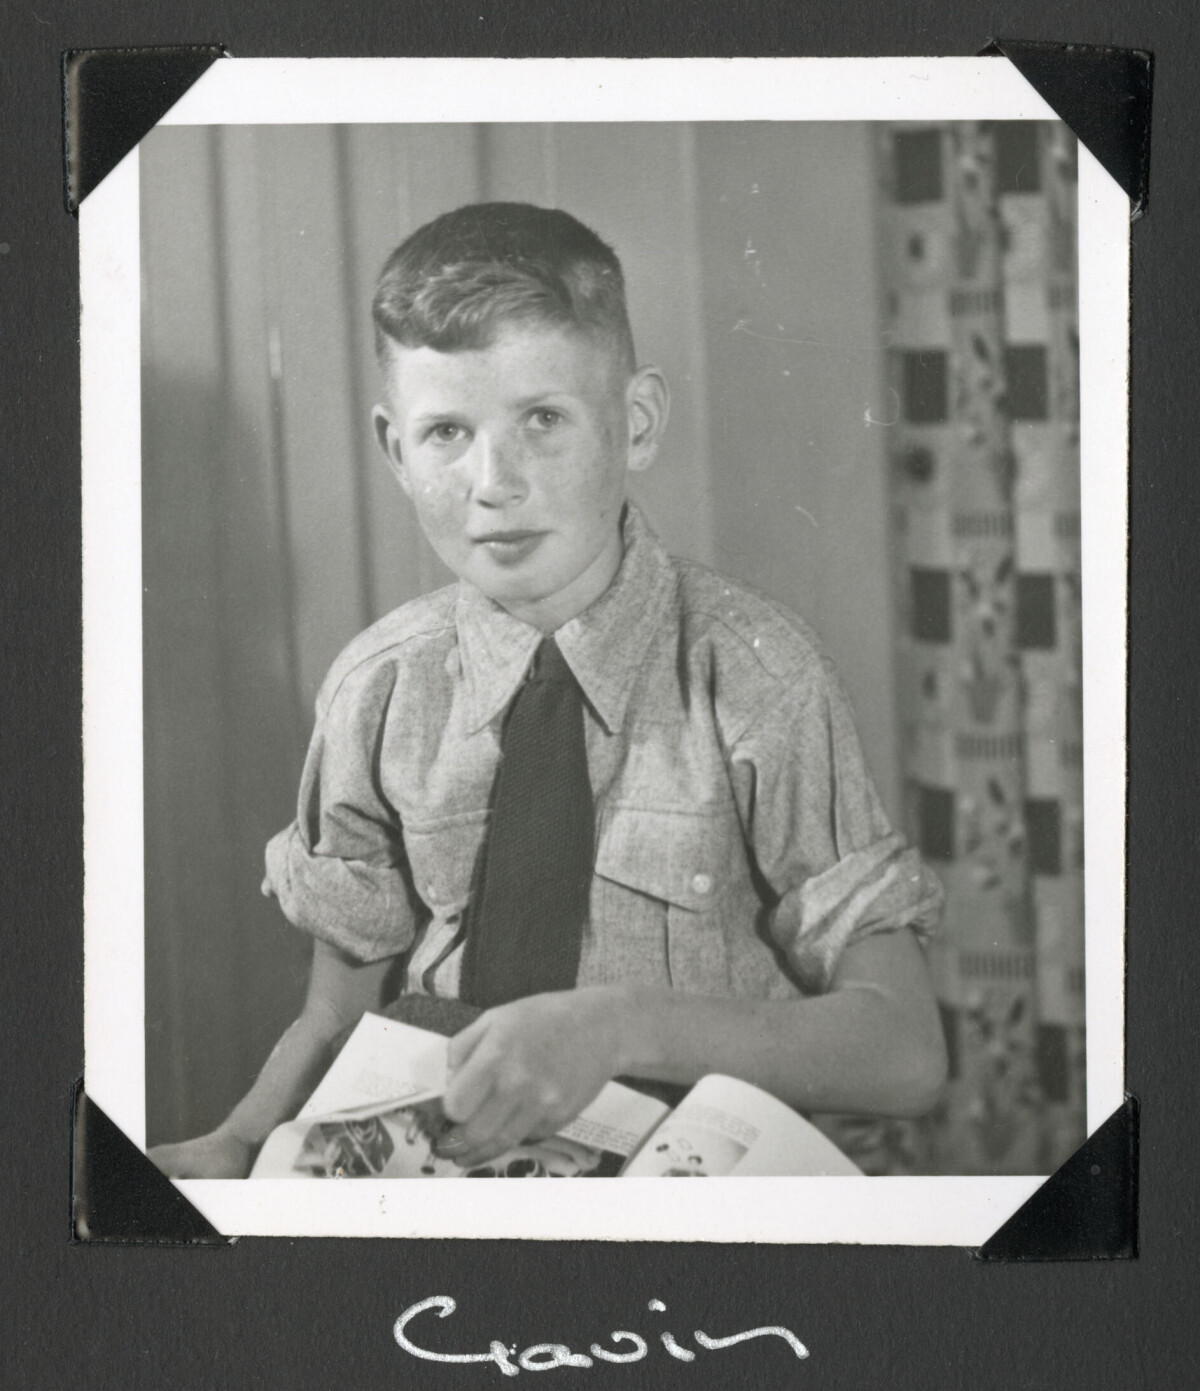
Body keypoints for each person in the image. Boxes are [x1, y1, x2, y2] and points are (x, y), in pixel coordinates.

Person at [150, 202, 947, 1180]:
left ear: (636, 423)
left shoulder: (757, 675)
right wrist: (237, 1142)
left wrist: (619, 1025)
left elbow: (905, 1050)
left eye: (543, 420)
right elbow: (332, 1017)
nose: (495, 481)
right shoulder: (376, 691)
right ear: (396, 450)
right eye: (447, 431)